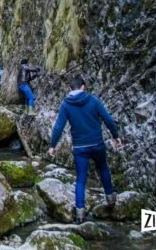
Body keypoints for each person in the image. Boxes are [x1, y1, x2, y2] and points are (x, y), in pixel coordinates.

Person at [48, 75, 122, 224]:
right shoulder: (93, 100)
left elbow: (58, 127)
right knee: (103, 168)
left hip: (79, 147)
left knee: (81, 178)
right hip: (97, 143)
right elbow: (108, 119)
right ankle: (110, 199)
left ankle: (80, 214)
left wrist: (52, 145)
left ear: (71, 88)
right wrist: (116, 136)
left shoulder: (66, 104)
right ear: (83, 86)